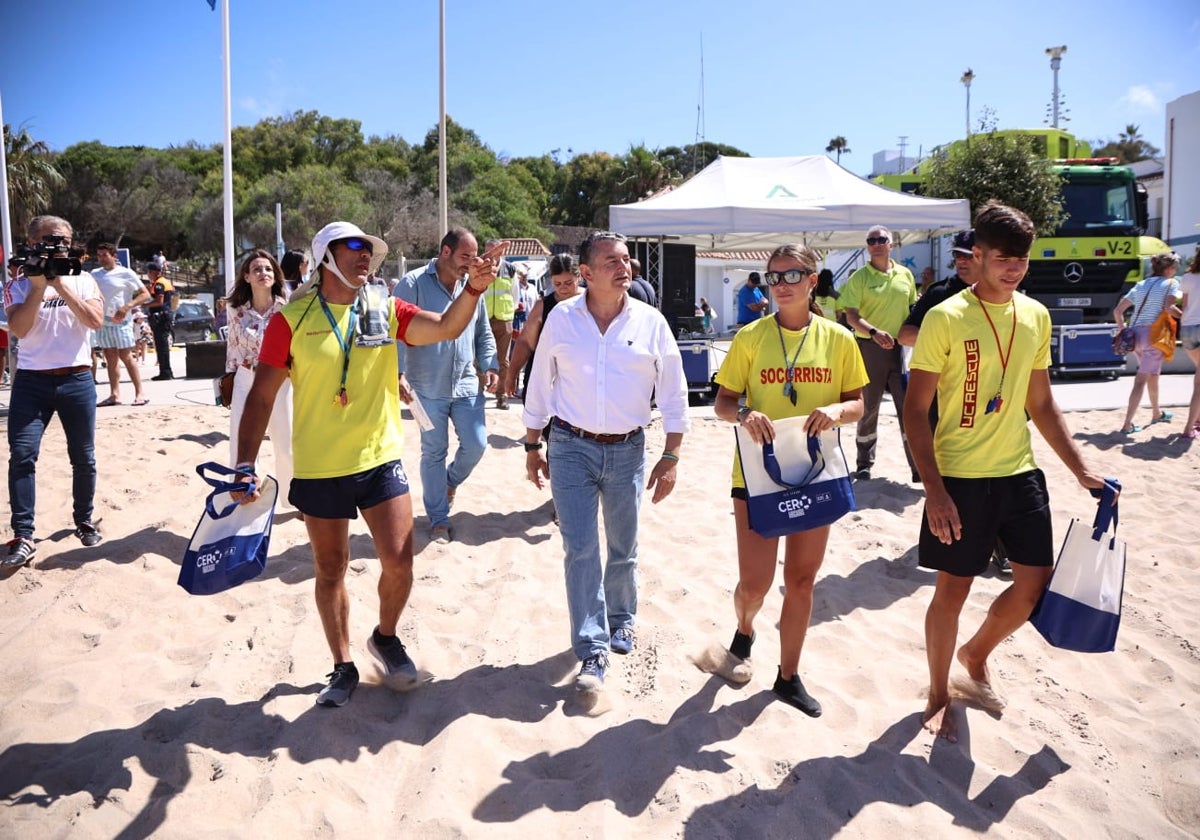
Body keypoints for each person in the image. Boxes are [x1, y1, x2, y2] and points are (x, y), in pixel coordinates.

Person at [234, 221, 502, 708]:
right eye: (354, 248)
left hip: (380, 457)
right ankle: (341, 665)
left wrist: (474, 289)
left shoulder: (384, 305)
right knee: (331, 567)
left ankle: (385, 635)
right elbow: (261, 397)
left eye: (370, 251)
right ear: (326, 256)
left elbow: (444, 328)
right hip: (320, 464)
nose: (366, 257)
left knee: (400, 561)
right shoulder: (289, 319)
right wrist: (243, 465)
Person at [904, 201, 1107, 743]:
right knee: (954, 591)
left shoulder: (1035, 315)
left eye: (1020, 259)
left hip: (1020, 471)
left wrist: (1081, 469)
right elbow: (914, 409)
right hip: (960, 479)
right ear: (978, 256)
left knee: (1032, 590)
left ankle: (976, 653)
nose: (1013, 269)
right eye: (1001, 259)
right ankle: (937, 692)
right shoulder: (945, 317)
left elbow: (1042, 404)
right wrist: (935, 491)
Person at [522, 231, 689, 693]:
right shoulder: (561, 320)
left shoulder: (652, 322)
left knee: (623, 547)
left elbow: (675, 395)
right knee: (580, 549)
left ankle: (622, 620)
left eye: (628, 259)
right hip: (570, 447)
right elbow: (540, 383)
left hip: (629, 449)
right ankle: (591, 649)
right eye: (613, 260)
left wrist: (671, 453)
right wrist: (532, 445)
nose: (625, 266)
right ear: (587, 274)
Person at [712, 244, 867, 716]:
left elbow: (857, 403)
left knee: (801, 581)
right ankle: (745, 629)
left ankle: (788, 676)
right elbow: (722, 405)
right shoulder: (751, 337)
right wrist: (744, 413)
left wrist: (836, 411)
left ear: (813, 280)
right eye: (774, 276)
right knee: (755, 585)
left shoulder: (839, 339)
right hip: (758, 475)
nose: (781, 284)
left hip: (814, 473)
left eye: (792, 275)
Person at [3, 215, 106, 569]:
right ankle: (23, 533)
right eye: (48, 240)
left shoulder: (85, 280)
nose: (56, 246)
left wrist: (60, 284)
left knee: (83, 456)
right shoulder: (18, 283)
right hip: (32, 382)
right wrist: (37, 287)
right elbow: (19, 328)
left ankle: (84, 519)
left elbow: (95, 321)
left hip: (77, 380)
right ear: (31, 243)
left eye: (62, 240)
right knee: (22, 454)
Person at [395, 228, 498, 544]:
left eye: (474, 256)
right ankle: (438, 520)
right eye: (465, 256)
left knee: (477, 443)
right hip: (424, 388)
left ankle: (448, 482)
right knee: (433, 452)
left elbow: (483, 332)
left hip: (467, 383)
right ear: (445, 252)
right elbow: (395, 329)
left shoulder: (472, 290)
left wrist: (490, 363)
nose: (471, 262)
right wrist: (396, 373)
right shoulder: (412, 284)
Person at [840, 225, 919, 482]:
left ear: (891, 244)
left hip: (901, 350)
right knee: (868, 408)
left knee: (908, 409)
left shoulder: (905, 275)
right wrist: (874, 332)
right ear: (867, 246)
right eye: (871, 240)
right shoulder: (860, 278)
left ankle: (918, 466)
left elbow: (913, 311)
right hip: (869, 349)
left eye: (881, 239)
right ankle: (864, 463)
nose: (876, 243)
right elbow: (850, 315)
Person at [225, 250, 293, 506]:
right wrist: (229, 379)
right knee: (239, 441)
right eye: (257, 269)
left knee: (285, 441)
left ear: (275, 275)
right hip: (246, 377)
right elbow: (232, 345)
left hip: (281, 380)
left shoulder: (289, 308)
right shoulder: (235, 310)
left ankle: (291, 498)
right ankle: (241, 492)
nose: (263, 273)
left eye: (268, 269)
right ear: (247, 276)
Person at [1113, 251, 1183, 435]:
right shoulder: (1172, 283)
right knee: (1141, 380)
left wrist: (1123, 331)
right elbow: (1169, 307)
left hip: (1135, 336)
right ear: (1168, 269)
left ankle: (1156, 413)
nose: (1175, 272)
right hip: (1155, 336)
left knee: (1152, 375)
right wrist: (1186, 316)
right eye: (1175, 268)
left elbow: (1118, 311)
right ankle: (1127, 424)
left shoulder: (1141, 284)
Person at [506, 253, 582, 401]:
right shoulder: (543, 306)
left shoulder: (592, 302)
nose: (563, 289)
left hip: (578, 381)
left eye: (568, 283)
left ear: (579, 276)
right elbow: (526, 342)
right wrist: (512, 374)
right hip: (543, 377)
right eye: (557, 284)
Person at [92, 243, 152, 407]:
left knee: (126, 356)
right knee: (110, 358)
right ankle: (114, 394)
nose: (101, 258)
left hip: (122, 322)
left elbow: (145, 294)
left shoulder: (125, 273)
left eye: (105, 255)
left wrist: (128, 306)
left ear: (113, 256)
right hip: (103, 322)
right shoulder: (95, 274)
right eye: (99, 255)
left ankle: (140, 392)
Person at [897, 230, 976, 350]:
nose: (961, 260)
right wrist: (951, 344)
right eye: (957, 255)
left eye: (968, 255)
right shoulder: (938, 292)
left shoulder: (997, 293)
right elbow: (905, 336)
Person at [482, 239, 516, 410]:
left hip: (504, 319)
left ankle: (501, 395)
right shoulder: (481, 267)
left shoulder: (510, 269)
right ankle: (478, 393)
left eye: (493, 251)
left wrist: (510, 314)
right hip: (483, 319)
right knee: (479, 358)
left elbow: (515, 294)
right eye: (487, 251)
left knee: (503, 361)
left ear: (501, 251)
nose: (490, 255)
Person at [1178, 248, 1200, 439]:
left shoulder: (1188, 277)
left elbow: (1184, 305)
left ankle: (1198, 418)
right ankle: (1189, 428)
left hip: (1187, 329)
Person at [144, 263, 176, 380]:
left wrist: (145, 305)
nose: (148, 274)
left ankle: (165, 372)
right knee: (162, 345)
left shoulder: (159, 284)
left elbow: (159, 301)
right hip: (164, 316)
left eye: (149, 272)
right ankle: (166, 371)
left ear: (155, 272)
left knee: (161, 345)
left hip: (160, 317)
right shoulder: (164, 282)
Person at [512, 262, 538, 335]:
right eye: (522, 274)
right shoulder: (514, 289)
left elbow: (536, 306)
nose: (524, 276)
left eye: (526, 273)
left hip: (532, 327)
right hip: (517, 327)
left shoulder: (533, 288)